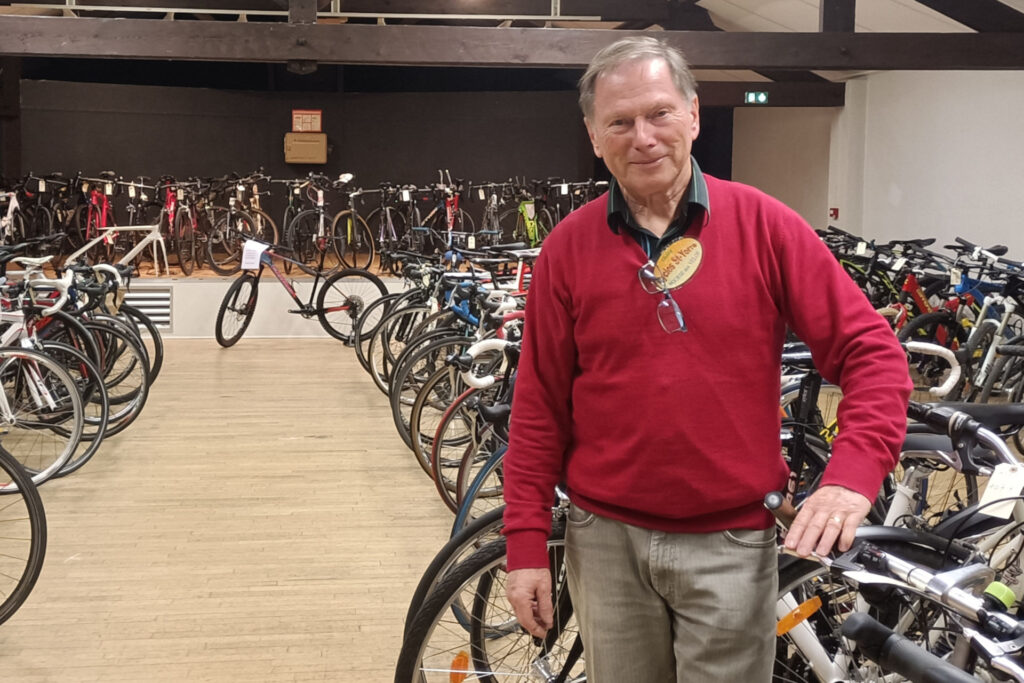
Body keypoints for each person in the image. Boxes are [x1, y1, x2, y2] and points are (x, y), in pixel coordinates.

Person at [501, 36, 912, 682]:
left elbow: (872, 354)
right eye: (620, 121)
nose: (643, 136)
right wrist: (525, 543)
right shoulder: (567, 249)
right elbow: (538, 407)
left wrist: (850, 474)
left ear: (693, 114)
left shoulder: (766, 227)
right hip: (605, 543)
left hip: (731, 546)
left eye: (659, 113)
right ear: (594, 135)